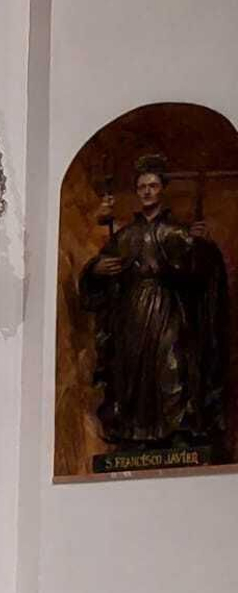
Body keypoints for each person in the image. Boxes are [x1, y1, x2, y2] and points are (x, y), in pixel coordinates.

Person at [78, 150, 229, 455]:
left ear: (162, 190)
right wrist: (95, 270)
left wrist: (202, 247)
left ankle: (178, 432)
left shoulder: (178, 233)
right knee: (132, 371)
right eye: (142, 187)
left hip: (169, 310)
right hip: (132, 314)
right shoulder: (125, 235)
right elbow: (103, 278)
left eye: (153, 186)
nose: (147, 191)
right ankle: (135, 433)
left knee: (171, 367)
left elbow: (204, 275)